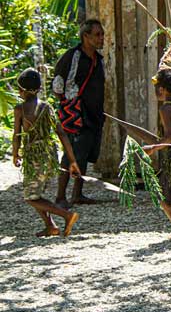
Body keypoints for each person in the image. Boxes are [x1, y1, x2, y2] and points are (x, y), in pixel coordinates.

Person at [11, 69, 81, 237]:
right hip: (49, 155)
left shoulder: (20, 109)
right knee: (36, 193)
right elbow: (61, 134)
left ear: (23, 91)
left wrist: (15, 154)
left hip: (34, 156)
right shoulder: (47, 107)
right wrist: (72, 160)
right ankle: (51, 226)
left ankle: (67, 215)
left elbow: (16, 136)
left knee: (30, 197)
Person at [51, 19, 106, 207]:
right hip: (76, 116)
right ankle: (60, 197)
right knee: (70, 155)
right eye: (97, 34)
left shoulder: (98, 60)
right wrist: (69, 105)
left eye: (102, 34)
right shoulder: (72, 57)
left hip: (93, 116)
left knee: (84, 155)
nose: (101, 38)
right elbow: (57, 85)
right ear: (86, 36)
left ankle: (77, 194)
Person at [139, 68, 171, 240]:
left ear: (162, 89)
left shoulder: (166, 109)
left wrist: (153, 148)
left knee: (164, 197)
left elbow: (170, 136)